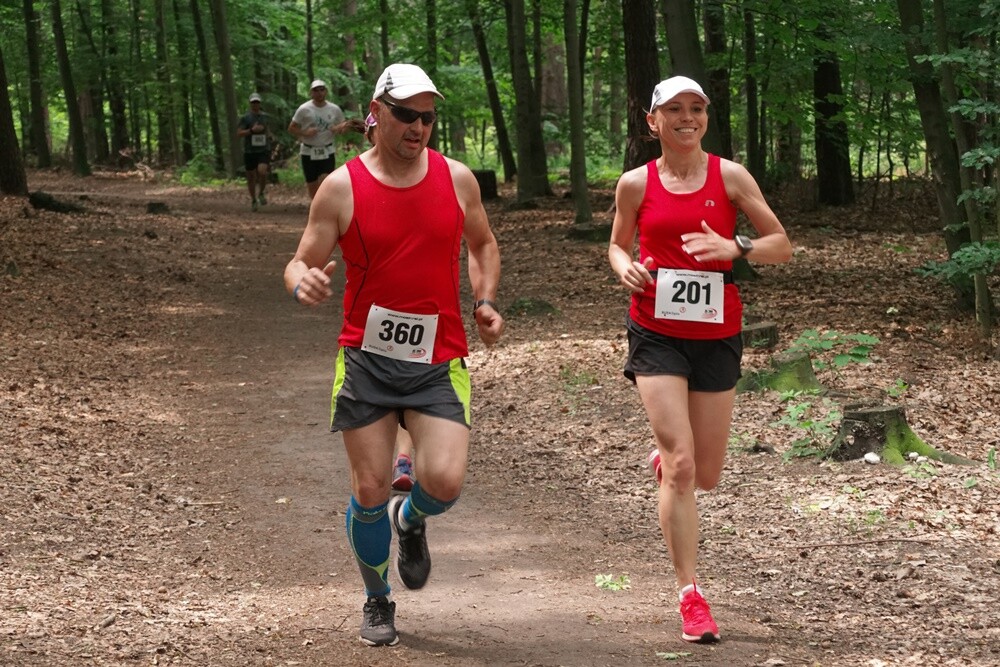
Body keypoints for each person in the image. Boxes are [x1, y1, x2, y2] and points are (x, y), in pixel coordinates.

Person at [283, 63, 504, 648]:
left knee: (444, 481)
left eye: (427, 117)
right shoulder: (342, 187)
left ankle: (412, 520)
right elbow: (300, 260)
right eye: (406, 114)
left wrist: (484, 300)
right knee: (371, 487)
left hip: (438, 358)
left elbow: (483, 243)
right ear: (376, 113)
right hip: (366, 358)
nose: (418, 126)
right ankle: (377, 598)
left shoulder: (457, 179)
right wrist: (303, 281)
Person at [608, 75, 791, 644]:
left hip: (717, 333)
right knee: (683, 465)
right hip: (655, 331)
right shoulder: (635, 184)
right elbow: (616, 244)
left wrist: (735, 247)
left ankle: (670, 462)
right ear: (653, 121)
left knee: (706, 474)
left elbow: (782, 245)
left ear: (706, 117)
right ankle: (691, 595)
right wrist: (625, 268)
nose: (687, 118)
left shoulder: (730, 176)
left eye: (697, 108)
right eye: (675, 109)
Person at [288, 79, 357, 199]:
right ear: (311, 93)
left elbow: (344, 126)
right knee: (312, 184)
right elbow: (291, 128)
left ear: (326, 91)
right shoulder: (304, 109)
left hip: (327, 150)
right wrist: (305, 133)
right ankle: (315, 205)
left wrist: (337, 128)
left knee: (326, 181)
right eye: (316, 90)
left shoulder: (334, 109)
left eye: (322, 89)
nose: (319, 93)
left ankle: (324, 205)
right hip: (308, 151)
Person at [237, 93, 272, 211]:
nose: (255, 104)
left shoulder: (265, 117)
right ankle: (253, 200)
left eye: (257, 102)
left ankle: (261, 192)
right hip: (250, 151)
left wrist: (270, 136)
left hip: (263, 149)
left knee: (262, 171)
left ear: (260, 103)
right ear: (250, 103)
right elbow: (239, 133)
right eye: (253, 102)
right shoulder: (245, 118)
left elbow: (268, 130)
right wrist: (252, 130)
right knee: (251, 176)